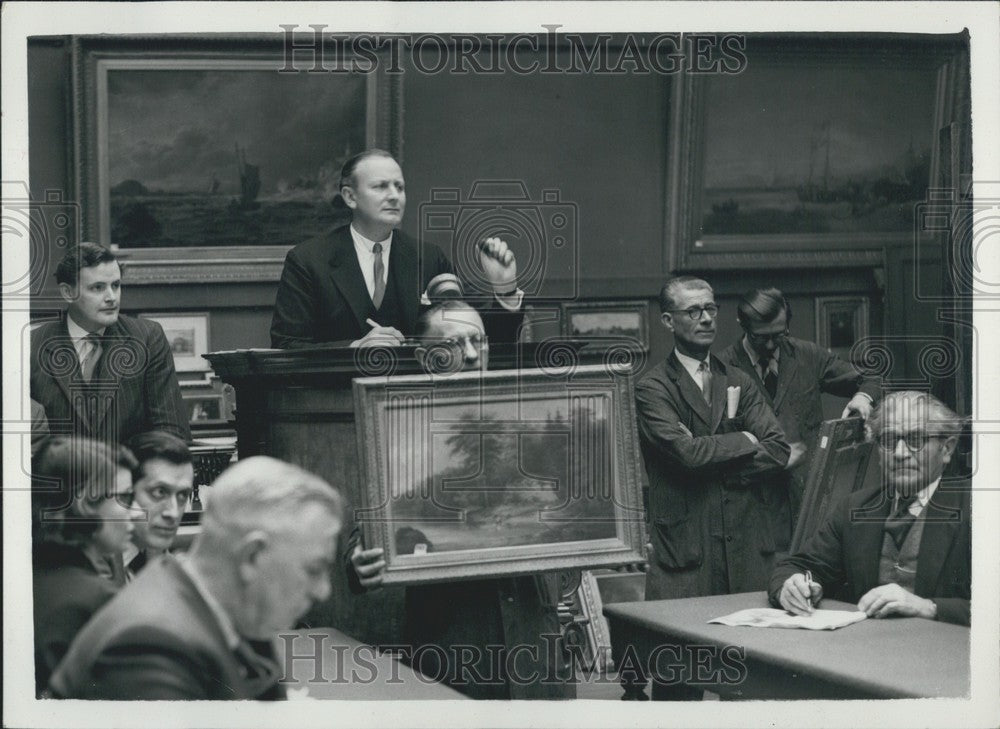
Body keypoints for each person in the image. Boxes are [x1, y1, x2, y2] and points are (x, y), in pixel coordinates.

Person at [346, 301, 574, 700]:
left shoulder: (533, 413)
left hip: (535, 639)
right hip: (456, 645)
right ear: (425, 357)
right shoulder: (397, 423)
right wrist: (359, 559)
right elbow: (367, 526)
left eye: (478, 341)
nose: (471, 354)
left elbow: (571, 509)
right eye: (454, 344)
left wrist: (611, 529)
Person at [48, 456, 344, 700]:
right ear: (252, 557)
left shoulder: (233, 606)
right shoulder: (151, 644)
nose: (323, 592)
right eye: (314, 570)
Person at [634, 276, 790, 700]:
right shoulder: (652, 388)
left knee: (750, 687)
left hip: (745, 553)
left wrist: (710, 451)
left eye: (710, 309)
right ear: (668, 320)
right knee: (678, 687)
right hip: (686, 555)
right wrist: (744, 441)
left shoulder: (738, 378)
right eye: (693, 311)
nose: (705, 318)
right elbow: (684, 455)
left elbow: (778, 450)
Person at [270, 149, 524, 349]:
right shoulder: (308, 261)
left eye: (399, 187)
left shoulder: (429, 258)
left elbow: (479, 341)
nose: (394, 196)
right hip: (339, 405)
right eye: (380, 186)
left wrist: (505, 289)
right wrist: (354, 347)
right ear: (350, 197)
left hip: (416, 403)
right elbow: (287, 345)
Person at [769, 391, 970, 626]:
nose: (900, 453)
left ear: (946, 449)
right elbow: (798, 566)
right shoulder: (856, 508)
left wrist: (928, 607)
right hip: (865, 655)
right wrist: (791, 585)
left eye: (916, 440)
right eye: (888, 441)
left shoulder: (982, 511)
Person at [718, 287, 880, 531]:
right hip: (752, 509)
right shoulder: (721, 369)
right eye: (761, 337)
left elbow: (872, 381)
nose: (772, 344)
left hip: (810, 501)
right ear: (742, 324)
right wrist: (773, 457)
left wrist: (863, 397)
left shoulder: (808, 355)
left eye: (779, 334)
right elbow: (718, 448)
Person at [30, 243, 190, 446]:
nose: (111, 297)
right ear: (67, 292)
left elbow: (171, 431)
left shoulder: (147, 338)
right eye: (98, 288)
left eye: (116, 285)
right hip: (60, 474)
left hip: (131, 473)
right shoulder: (31, 346)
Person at [32, 436, 139, 695]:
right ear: (84, 504)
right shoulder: (99, 602)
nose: (135, 511)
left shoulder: (25, 579)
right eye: (124, 497)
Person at [118, 430, 194, 581]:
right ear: (126, 493)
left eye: (182, 495)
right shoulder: (89, 572)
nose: (173, 513)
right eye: (160, 492)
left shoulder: (184, 575)